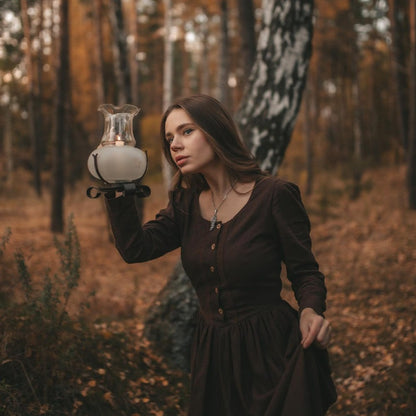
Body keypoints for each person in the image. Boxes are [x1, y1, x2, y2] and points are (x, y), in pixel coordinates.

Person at [105, 94, 337, 415]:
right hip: (212, 356)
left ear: (216, 131)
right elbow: (135, 248)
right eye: (169, 138)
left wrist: (311, 311)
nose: (174, 145)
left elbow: (306, 272)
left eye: (186, 132)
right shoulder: (184, 204)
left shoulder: (273, 195)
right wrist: (118, 191)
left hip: (269, 350)